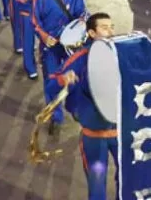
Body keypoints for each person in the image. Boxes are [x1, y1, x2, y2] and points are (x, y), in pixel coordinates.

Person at [48, 13, 118, 199]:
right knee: (97, 184)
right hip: (94, 136)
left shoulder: (122, 53)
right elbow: (51, 84)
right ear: (92, 33)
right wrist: (63, 80)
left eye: (112, 26)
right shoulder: (80, 59)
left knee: (129, 179)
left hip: (123, 133)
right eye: (105, 27)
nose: (111, 31)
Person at [32, 0, 86, 133]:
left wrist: (82, 26)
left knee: (76, 77)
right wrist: (44, 36)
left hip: (71, 47)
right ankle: (56, 116)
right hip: (51, 47)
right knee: (52, 81)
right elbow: (34, 21)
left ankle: (75, 106)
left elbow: (82, 14)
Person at [15, 0, 46, 80]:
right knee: (28, 42)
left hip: (40, 15)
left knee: (46, 40)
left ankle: (44, 62)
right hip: (27, 15)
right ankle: (30, 67)